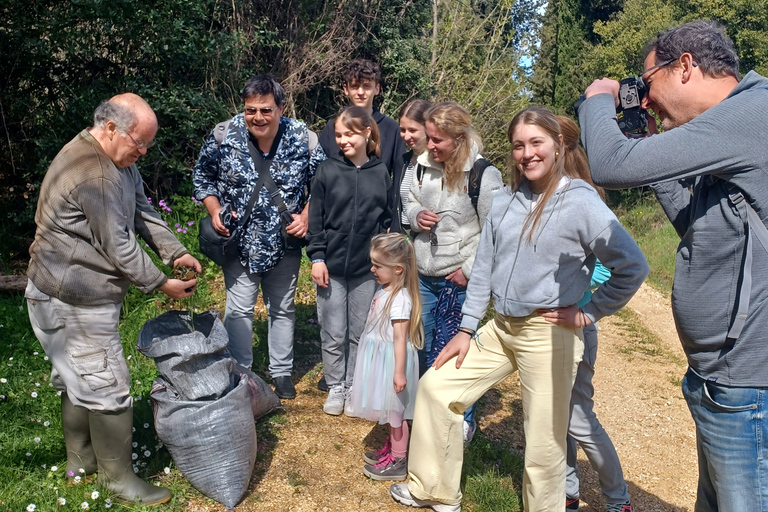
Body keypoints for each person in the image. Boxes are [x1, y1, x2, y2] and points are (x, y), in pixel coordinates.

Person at [390, 107, 649, 512]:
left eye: (536, 143)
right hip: (500, 328)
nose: (527, 153)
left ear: (558, 145)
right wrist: (465, 330)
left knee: (544, 440)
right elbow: (484, 270)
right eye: (518, 145)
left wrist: (588, 312)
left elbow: (632, 265)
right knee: (436, 389)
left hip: (547, 333)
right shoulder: (507, 201)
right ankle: (434, 490)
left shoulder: (580, 201)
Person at [579, 19, 768, 511]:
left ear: (684, 67)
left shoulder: (753, 113)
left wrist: (599, 97)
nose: (645, 96)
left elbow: (609, 165)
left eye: (648, 81)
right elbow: (701, 233)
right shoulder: (731, 129)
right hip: (720, 377)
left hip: (748, 386)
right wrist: (647, 145)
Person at [25, 93, 201, 505]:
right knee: (107, 385)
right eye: (138, 142)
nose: (142, 152)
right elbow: (119, 245)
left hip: (63, 292)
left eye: (147, 145)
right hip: (72, 298)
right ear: (109, 129)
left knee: (78, 380)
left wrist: (174, 251)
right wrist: (162, 284)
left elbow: (142, 211)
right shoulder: (95, 173)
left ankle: (81, 464)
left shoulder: (118, 163)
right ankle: (118, 480)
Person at [193, 74, 326, 400]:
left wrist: (307, 215)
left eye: (266, 110)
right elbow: (202, 176)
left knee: (282, 308)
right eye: (251, 110)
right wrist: (214, 210)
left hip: (285, 242)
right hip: (238, 242)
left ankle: (281, 373)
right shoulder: (224, 135)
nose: (258, 117)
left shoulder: (303, 137)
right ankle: (243, 374)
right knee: (238, 310)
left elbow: (323, 183)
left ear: (281, 107)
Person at [406, 101, 503, 443]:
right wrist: (416, 215)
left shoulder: (483, 175)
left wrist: (469, 269)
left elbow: (495, 231)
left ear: (459, 138)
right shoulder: (420, 166)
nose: (429, 146)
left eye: (437, 140)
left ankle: (462, 421)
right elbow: (408, 202)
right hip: (424, 274)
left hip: (458, 280)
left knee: (457, 352)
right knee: (424, 347)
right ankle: (427, 415)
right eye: (429, 138)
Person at [307, 106, 392, 416]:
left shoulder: (381, 172)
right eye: (338, 135)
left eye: (349, 134)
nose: (343, 140)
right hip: (329, 265)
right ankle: (335, 387)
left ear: (367, 133)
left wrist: (385, 260)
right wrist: (317, 257)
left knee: (360, 332)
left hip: (365, 269)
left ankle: (355, 386)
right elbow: (315, 218)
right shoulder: (327, 170)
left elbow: (387, 219)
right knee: (332, 331)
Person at [348, 233, 423, 481]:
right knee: (390, 410)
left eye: (378, 265)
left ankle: (399, 461)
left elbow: (400, 338)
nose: (372, 269)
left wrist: (399, 372)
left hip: (392, 361)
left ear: (398, 269)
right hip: (382, 358)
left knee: (396, 413)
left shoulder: (400, 299)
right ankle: (393, 448)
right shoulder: (385, 290)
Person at [567, 262, 633, 512]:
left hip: (578, 326)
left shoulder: (586, 222)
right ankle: (567, 493)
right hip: (545, 333)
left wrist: (568, 282)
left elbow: (608, 270)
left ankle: (619, 500)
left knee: (579, 418)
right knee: (557, 420)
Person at [396, 99, 432, 232]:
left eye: (412, 130)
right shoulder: (402, 161)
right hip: (402, 238)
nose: (406, 136)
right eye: (402, 130)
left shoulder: (439, 163)